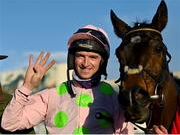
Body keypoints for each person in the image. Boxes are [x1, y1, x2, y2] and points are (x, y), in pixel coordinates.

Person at [1, 24, 133, 134]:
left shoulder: (114, 98)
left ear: (102, 62)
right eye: (80, 56)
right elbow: (9, 124)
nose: (86, 63)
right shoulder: (51, 96)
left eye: (93, 57)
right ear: (72, 59)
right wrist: (27, 87)